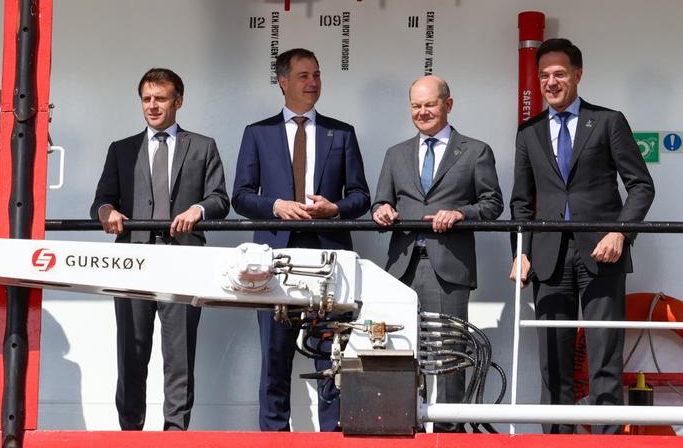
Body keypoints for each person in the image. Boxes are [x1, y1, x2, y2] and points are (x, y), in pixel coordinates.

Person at [509, 38, 655, 434]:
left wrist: (620, 233)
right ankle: (555, 442)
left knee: (605, 355)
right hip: (548, 256)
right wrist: (520, 252)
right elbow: (521, 202)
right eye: (544, 75)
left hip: (602, 254)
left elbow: (641, 186)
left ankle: (607, 443)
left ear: (578, 75)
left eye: (559, 74)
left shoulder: (608, 121)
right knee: (553, 361)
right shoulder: (529, 132)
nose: (551, 82)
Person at [232, 48, 370, 432]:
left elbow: (361, 197)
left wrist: (334, 209)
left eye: (317, 75)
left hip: (329, 258)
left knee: (331, 356)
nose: (313, 83)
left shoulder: (341, 133)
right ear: (283, 81)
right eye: (304, 75)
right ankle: (274, 437)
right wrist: (275, 205)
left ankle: (333, 436)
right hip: (274, 259)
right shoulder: (257, 133)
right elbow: (240, 196)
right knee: (274, 357)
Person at [90, 68, 229, 431]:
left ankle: (175, 433)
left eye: (161, 98)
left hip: (183, 260)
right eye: (147, 99)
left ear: (178, 101)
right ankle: (130, 432)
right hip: (132, 262)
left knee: (180, 356)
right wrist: (108, 212)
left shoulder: (203, 145)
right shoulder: (121, 149)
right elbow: (101, 201)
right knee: (131, 354)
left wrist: (197, 210)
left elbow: (219, 199)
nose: (152, 106)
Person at [372, 75, 503, 431]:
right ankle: (399, 428)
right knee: (398, 353)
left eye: (429, 104)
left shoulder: (476, 150)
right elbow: (381, 199)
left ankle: (449, 434)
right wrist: (381, 209)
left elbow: (492, 204)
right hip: (401, 267)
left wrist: (461, 213)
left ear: (448, 104)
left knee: (449, 358)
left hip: (448, 266)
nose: (422, 112)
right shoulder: (395, 153)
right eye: (415, 105)